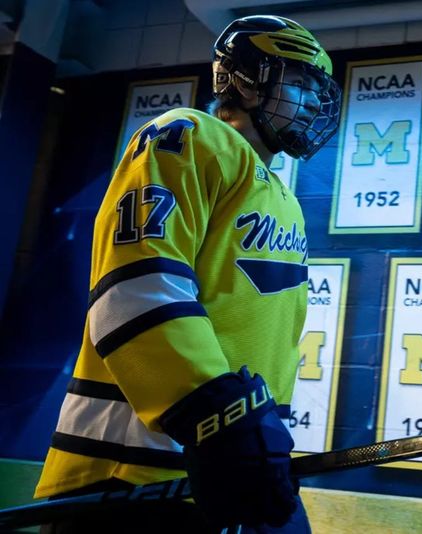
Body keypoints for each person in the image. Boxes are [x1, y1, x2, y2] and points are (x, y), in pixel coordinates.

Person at [34, 15, 341, 533]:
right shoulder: (184, 136)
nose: (313, 101)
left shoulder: (281, 195)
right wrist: (218, 417)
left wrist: (253, 437)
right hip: (132, 472)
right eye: (301, 81)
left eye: (318, 89)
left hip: (224, 466)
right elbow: (137, 287)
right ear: (246, 77)